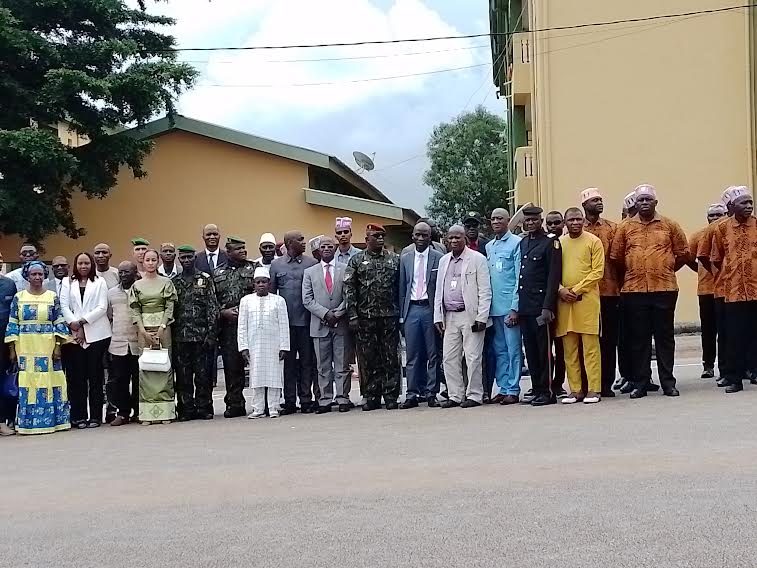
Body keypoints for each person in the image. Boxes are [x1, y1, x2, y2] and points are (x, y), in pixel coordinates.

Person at [609, 184, 689, 398]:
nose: (644, 203)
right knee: (638, 339)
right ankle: (641, 382)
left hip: (664, 289)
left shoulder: (669, 225)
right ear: (635, 203)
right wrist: (635, 270)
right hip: (634, 291)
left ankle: (668, 383)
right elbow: (616, 257)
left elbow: (683, 253)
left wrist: (665, 267)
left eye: (648, 199)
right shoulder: (624, 228)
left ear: (656, 202)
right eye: (641, 200)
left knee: (664, 338)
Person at [5, 261, 72, 435]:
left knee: (49, 382)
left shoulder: (52, 297)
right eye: (33, 274)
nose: (37, 277)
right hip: (25, 348)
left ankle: (53, 422)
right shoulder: (19, 297)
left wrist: (58, 346)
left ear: (45, 276)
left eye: (40, 274)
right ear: (27, 276)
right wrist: (12, 350)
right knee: (28, 383)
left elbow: (58, 322)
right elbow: (13, 323)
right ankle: (28, 424)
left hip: (47, 347)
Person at [344, 223, 402, 411]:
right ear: (366, 239)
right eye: (375, 236)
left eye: (382, 236)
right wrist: (352, 315)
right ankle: (371, 395)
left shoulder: (394, 259)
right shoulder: (356, 260)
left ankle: (391, 395)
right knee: (368, 358)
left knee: (391, 357)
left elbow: (401, 288)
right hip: (365, 317)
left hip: (389, 316)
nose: (379, 239)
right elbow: (349, 288)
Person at [433, 224, 491, 408]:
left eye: (458, 237)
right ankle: (455, 395)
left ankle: (474, 394)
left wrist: (482, 317)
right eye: (450, 238)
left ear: (465, 238)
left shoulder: (477, 259)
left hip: (470, 315)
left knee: (473, 357)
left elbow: (485, 289)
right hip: (449, 315)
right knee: (449, 358)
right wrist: (437, 317)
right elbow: (438, 291)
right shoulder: (443, 261)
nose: (454, 241)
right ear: (446, 240)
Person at [698, 186, 749, 388]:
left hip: (750, 289)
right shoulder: (715, 230)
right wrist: (723, 273)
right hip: (723, 290)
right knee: (726, 334)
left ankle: (751, 369)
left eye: (750, 202)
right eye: (711, 215)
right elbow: (705, 256)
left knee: (749, 332)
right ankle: (725, 372)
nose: (749, 206)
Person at [556, 208, 604, 404]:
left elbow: (597, 272)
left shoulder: (594, 241)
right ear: (565, 223)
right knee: (570, 349)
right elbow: (551, 272)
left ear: (583, 221)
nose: (575, 223)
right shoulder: (559, 244)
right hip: (564, 302)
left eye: (578, 219)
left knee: (591, 348)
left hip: (587, 302)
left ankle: (594, 389)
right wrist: (560, 290)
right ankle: (575, 390)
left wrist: (575, 290)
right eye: (571, 220)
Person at [710, 191, 757, 393]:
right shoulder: (721, 228)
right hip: (733, 291)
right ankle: (734, 378)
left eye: (750, 203)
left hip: (756, 290)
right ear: (732, 206)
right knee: (734, 336)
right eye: (743, 203)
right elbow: (715, 258)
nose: (748, 206)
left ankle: (754, 372)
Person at [59, 252, 111, 428]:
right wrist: (75, 325)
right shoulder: (67, 282)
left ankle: (96, 416)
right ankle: (79, 416)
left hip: (97, 335)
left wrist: (82, 322)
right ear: (75, 265)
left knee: (95, 377)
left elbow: (102, 307)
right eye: (80, 263)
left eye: (87, 263)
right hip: (74, 337)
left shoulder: (100, 281)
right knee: (76, 378)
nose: (83, 266)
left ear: (91, 264)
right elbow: (64, 306)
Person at [269, 230, 318, 414]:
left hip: (306, 322)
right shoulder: (276, 265)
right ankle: (289, 400)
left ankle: (306, 398)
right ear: (290, 243)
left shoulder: (311, 263)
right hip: (285, 324)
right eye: (300, 240)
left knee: (307, 362)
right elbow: (272, 296)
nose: (304, 242)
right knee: (288, 363)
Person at [518, 206, 562, 406]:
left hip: (541, 307)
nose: (530, 223)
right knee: (531, 351)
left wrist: (548, 307)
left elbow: (553, 279)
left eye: (534, 220)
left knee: (544, 351)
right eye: (527, 220)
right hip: (526, 306)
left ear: (541, 221)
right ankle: (536, 388)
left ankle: (548, 391)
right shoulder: (524, 243)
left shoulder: (550, 243)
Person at [303, 237, 352, 413]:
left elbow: (349, 295)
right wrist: (325, 314)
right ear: (318, 250)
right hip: (319, 324)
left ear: (336, 248)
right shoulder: (310, 272)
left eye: (329, 246)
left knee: (342, 364)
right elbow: (307, 299)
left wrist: (337, 314)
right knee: (322, 365)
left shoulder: (346, 269)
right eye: (322, 246)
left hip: (340, 324)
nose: (326, 249)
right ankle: (324, 399)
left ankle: (343, 397)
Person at [129, 249, 178, 423]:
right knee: (146, 367)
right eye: (147, 260)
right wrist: (142, 330)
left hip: (163, 329)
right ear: (143, 262)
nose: (150, 263)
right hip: (144, 330)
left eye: (153, 260)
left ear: (158, 262)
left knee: (164, 366)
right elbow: (135, 309)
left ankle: (166, 412)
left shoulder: (166, 283)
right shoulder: (137, 286)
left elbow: (169, 306)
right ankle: (147, 414)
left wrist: (162, 326)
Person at [172, 245, 219, 420]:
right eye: (183, 258)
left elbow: (212, 308)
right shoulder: (175, 282)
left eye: (189, 258)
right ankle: (186, 410)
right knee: (183, 377)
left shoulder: (205, 279)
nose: (186, 261)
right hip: (181, 337)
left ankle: (204, 408)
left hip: (201, 336)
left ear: (194, 259)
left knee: (203, 376)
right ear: (179, 260)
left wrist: (212, 334)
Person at [398, 222, 443, 408]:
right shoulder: (405, 258)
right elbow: (401, 288)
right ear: (413, 237)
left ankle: (431, 392)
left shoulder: (439, 258)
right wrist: (401, 315)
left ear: (430, 237)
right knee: (412, 354)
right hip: (411, 310)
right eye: (418, 235)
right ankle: (412, 393)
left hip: (430, 309)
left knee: (433, 354)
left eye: (425, 235)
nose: (421, 239)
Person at [213, 237, 257, 417]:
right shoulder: (218, 273)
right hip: (229, 327)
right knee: (232, 366)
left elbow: (261, 292)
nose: (243, 251)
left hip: (253, 324)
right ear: (228, 252)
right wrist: (222, 312)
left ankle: (261, 402)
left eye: (244, 248)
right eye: (238, 249)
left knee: (257, 364)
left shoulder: (253, 268)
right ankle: (235, 403)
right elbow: (211, 300)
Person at [582, 188, 620, 397]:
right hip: (584, 294)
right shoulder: (576, 229)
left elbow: (619, 259)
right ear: (584, 205)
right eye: (594, 200)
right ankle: (588, 382)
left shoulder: (612, 229)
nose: (599, 203)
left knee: (608, 340)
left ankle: (606, 383)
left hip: (609, 291)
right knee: (587, 339)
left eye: (600, 200)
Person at [238, 267, 289, 419]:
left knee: (274, 376)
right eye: (258, 282)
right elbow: (242, 325)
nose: (261, 285)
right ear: (253, 284)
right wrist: (243, 347)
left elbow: (284, 325)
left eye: (264, 282)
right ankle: (258, 408)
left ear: (269, 283)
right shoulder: (246, 301)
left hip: (274, 345)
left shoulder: (278, 301)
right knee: (256, 376)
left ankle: (273, 407)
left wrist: (284, 346)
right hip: (254, 345)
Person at [486, 208, 522, 405]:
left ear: (508, 221)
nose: (496, 221)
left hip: (510, 307)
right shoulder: (490, 246)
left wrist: (515, 307)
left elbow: (518, 277)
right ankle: (503, 387)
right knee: (499, 349)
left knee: (513, 349)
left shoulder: (517, 243)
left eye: (500, 218)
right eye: (493, 219)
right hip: (494, 307)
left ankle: (514, 388)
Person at [689, 203, 727, 379]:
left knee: (727, 330)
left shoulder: (729, 233)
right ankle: (708, 365)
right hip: (706, 290)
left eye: (718, 215)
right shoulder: (699, 236)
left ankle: (729, 366)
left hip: (727, 289)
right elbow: (688, 257)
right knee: (709, 330)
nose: (715, 218)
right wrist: (702, 271)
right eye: (711, 215)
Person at [107, 261, 141, 426]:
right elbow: (108, 315)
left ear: (135, 272)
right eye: (121, 272)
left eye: (127, 272)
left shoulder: (141, 289)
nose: (123, 275)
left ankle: (139, 411)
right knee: (120, 380)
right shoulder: (112, 293)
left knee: (139, 379)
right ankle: (123, 413)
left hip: (138, 342)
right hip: (118, 343)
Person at [0, 270, 18, 436]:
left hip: (4, 341)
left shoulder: (9, 284)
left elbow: (13, 314)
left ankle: (4, 420)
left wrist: (12, 346)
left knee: (5, 382)